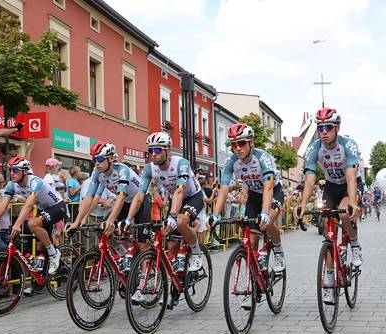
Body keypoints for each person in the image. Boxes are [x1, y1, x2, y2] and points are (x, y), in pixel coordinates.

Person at [293, 107, 361, 304]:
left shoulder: (348, 145)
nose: (323, 131)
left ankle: (355, 245)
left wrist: (353, 203)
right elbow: (309, 179)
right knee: (327, 229)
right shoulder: (314, 148)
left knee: (345, 214)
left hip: (349, 185)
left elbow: (350, 177)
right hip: (331, 187)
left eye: (328, 127)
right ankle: (330, 280)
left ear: (337, 127)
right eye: (320, 127)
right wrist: (303, 205)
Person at [66, 141, 151, 280]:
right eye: (94, 159)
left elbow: (121, 196)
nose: (96, 163)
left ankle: (144, 277)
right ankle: (124, 257)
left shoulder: (122, 170)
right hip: (123, 203)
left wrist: (111, 220)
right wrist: (77, 221)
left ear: (111, 158)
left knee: (142, 243)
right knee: (103, 229)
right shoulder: (97, 173)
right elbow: (89, 198)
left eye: (99, 159)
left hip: (140, 201)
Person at [125, 132, 204, 280]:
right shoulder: (149, 169)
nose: (153, 154)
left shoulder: (181, 163)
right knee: (171, 245)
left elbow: (180, 190)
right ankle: (175, 281)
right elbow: (140, 195)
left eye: (157, 150)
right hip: (176, 200)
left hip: (193, 197)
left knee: (180, 221)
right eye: (150, 150)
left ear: (168, 150)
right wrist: (129, 219)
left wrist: (173, 216)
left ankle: (197, 252)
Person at [209, 123, 286, 274]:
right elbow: (223, 190)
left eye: (242, 143)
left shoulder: (263, 157)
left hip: (273, 191)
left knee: (267, 221)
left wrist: (264, 211)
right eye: (234, 144)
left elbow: (269, 187)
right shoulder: (230, 162)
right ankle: (257, 269)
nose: (238, 147)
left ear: (251, 142)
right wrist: (215, 214)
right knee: (252, 237)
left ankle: (278, 249)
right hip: (254, 195)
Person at [0, 157, 66, 275]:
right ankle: (37, 281)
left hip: (58, 207)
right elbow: (2, 206)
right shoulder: (12, 185)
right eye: (11, 170)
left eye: (16, 170)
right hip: (44, 210)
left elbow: (28, 205)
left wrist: (17, 225)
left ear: (25, 171)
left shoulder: (35, 182)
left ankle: (54, 254)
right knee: (39, 248)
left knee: (32, 223)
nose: (12, 173)